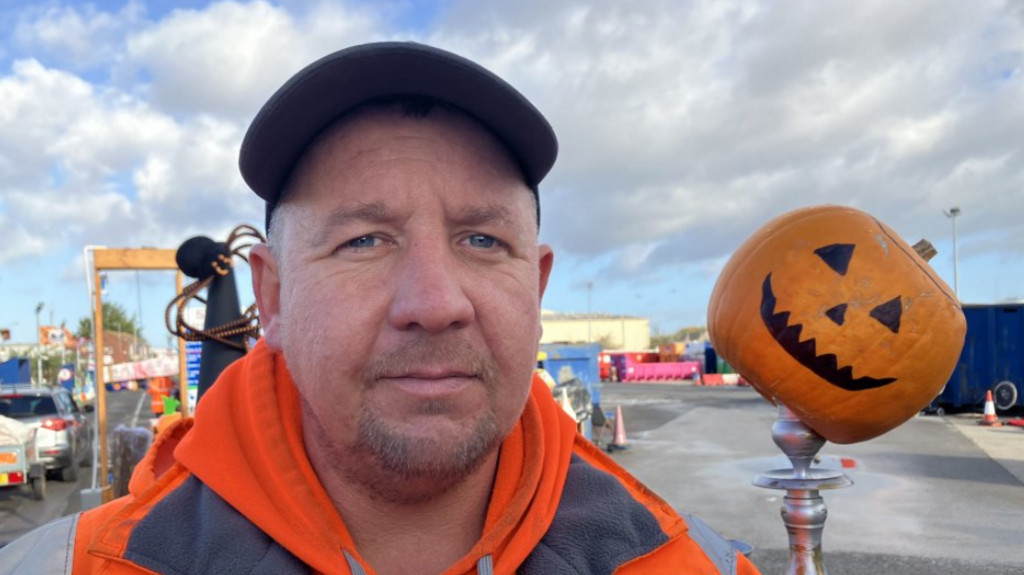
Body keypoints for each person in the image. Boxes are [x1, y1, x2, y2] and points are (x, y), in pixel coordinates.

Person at [1, 42, 761, 575]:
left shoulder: (685, 562)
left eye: (483, 239)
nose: (435, 303)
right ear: (271, 295)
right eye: (364, 240)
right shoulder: (84, 565)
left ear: (536, 287)